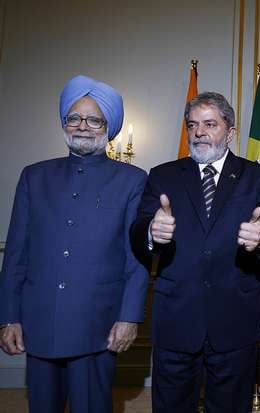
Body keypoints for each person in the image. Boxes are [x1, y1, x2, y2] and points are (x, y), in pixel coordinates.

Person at [130, 91, 260, 413]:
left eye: (209, 124)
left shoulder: (256, 176)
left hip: (235, 320)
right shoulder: (163, 175)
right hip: (176, 319)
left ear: (229, 132)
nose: (199, 132)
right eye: (192, 125)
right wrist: (151, 231)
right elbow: (138, 231)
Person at [0, 75, 148, 413]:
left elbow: (135, 257)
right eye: (74, 117)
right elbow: (16, 254)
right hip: (40, 320)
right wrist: (8, 316)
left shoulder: (133, 180)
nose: (83, 126)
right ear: (64, 122)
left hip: (98, 324)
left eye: (94, 119)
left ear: (108, 127)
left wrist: (129, 317)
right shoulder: (34, 176)